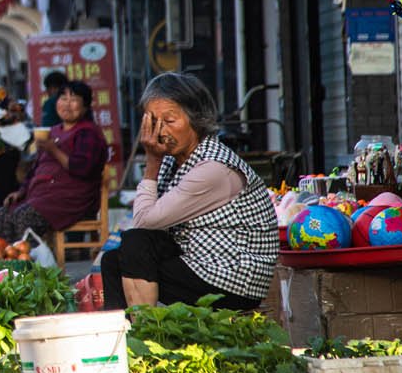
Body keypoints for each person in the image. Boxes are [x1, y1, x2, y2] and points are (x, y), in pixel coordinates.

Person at [102, 72, 277, 310]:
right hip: (197, 262)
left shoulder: (213, 168)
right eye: (153, 121)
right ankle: (121, 334)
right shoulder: (174, 159)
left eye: (170, 120)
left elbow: (144, 222)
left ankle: (145, 332)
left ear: (196, 120)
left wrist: (151, 162)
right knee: (114, 260)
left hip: (232, 279)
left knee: (137, 240)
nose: (160, 131)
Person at [0, 81, 107, 242]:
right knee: (2, 214)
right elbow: (35, 169)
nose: (67, 104)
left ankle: (34, 264)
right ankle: (13, 261)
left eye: (73, 99)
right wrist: (21, 191)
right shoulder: (52, 132)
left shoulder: (88, 133)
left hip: (70, 198)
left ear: (85, 106)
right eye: (63, 98)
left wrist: (53, 150)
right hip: (41, 195)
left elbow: (82, 168)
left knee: (24, 216)